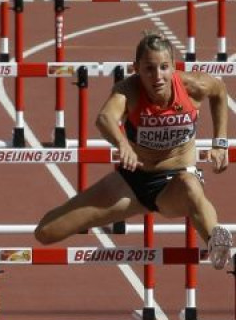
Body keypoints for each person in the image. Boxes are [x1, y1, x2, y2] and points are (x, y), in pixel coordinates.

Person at [35, 32, 232, 269]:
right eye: (149, 69)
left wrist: (220, 143)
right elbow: (105, 118)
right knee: (46, 232)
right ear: (136, 68)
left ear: (173, 67)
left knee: (190, 186)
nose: (157, 76)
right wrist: (122, 143)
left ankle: (217, 241)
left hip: (175, 183)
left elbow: (219, 91)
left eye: (164, 67)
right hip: (132, 182)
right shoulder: (129, 91)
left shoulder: (192, 87)